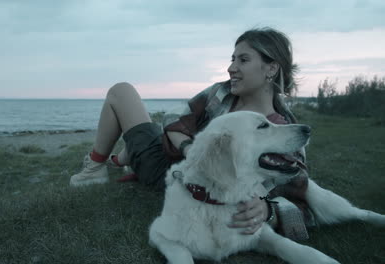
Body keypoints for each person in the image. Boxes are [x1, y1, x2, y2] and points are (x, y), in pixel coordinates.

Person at [70, 27, 315, 241]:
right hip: (175, 153)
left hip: (169, 174)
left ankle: (95, 169)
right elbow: (173, 117)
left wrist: (268, 210)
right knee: (144, 114)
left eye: (243, 60)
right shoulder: (223, 93)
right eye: (232, 59)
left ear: (271, 68)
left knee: (120, 93)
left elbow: (303, 206)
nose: (231, 68)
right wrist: (190, 148)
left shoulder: (284, 131)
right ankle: (116, 160)